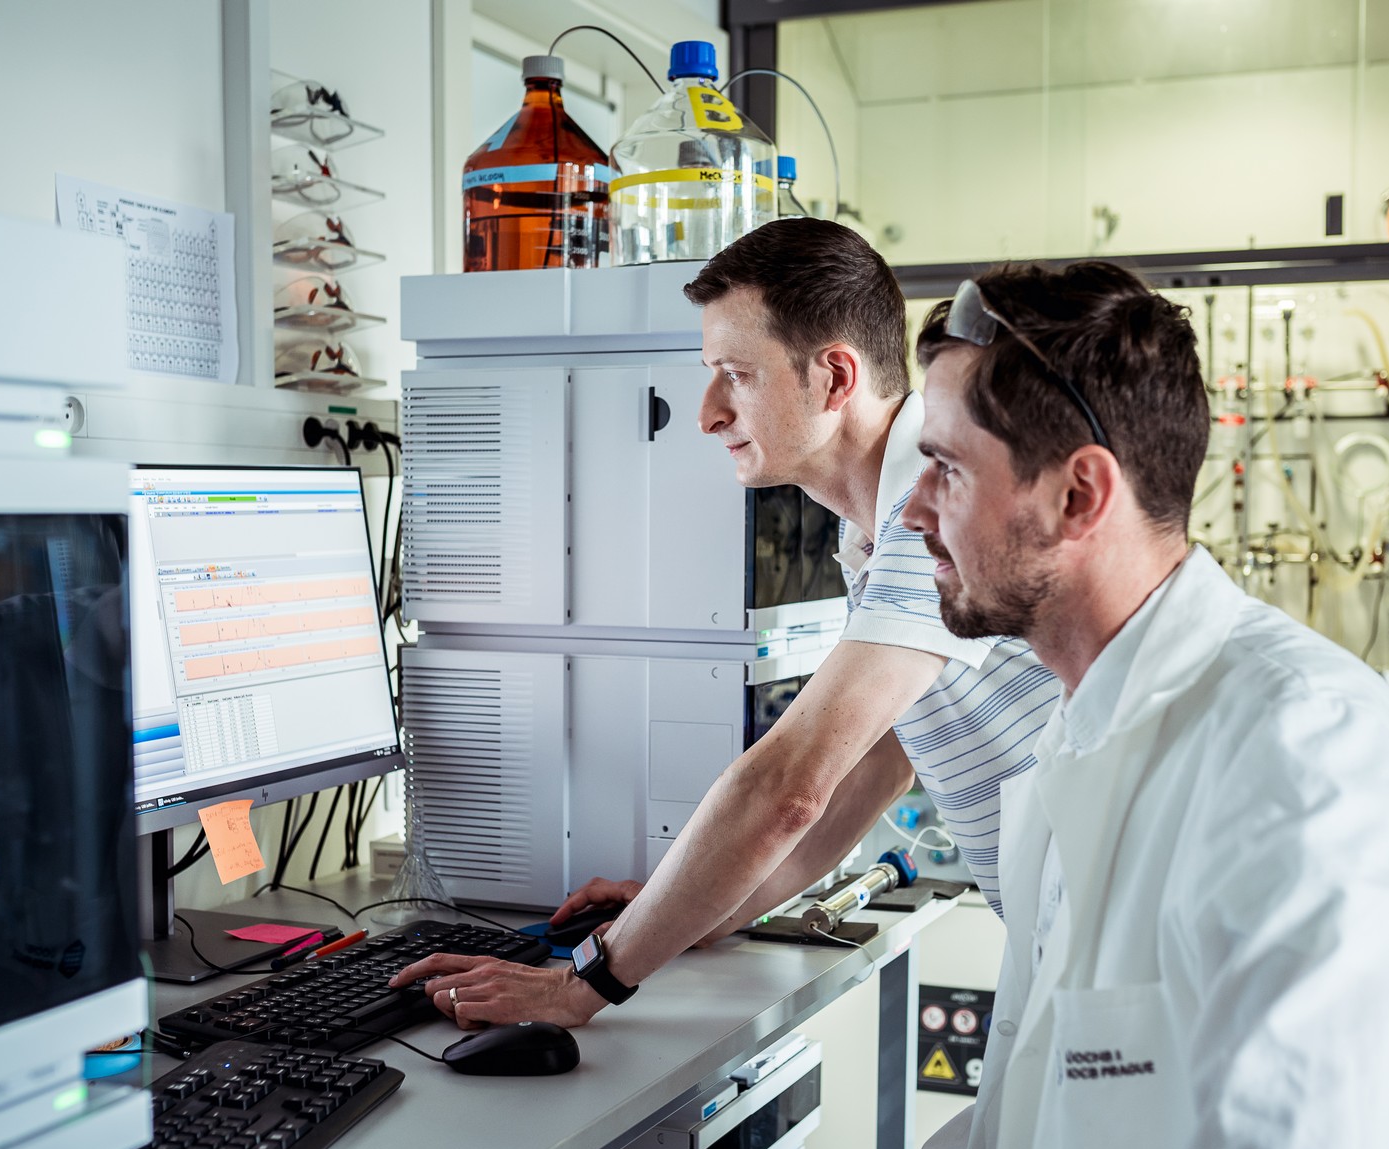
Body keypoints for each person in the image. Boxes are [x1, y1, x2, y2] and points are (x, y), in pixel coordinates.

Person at [628, 262, 1389, 1149]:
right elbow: (1044, 1069)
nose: (910, 512)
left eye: (946, 472)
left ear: (1078, 495)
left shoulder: (1296, 761)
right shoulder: (1078, 733)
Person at [392, 220, 1057, 1026]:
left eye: (734, 376)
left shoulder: (930, 502)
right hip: (1067, 930)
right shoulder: (877, 523)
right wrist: (713, 908)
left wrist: (587, 981)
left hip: (1111, 934)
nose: (707, 413)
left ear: (835, 377)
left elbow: (789, 787)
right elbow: (880, 763)